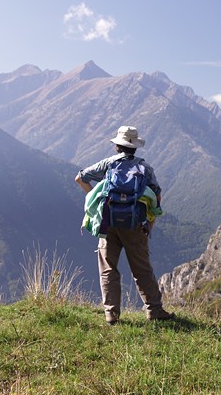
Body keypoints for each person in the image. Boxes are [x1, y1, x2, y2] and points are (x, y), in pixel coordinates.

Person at [75, 126, 175, 325]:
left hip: (108, 222)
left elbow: (80, 178)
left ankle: (111, 314)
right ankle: (154, 310)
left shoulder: (107, 164)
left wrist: (95, 197)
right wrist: (149, 225)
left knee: (108, 268)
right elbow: (157, 197)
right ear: (135, 147)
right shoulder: (145, 168)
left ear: (117, 146)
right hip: (134, 224)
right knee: (142, 269)